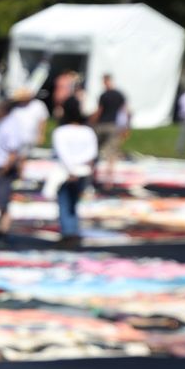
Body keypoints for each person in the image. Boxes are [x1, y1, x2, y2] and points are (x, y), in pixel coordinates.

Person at [0, 96, 34, 244]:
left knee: (3, 202)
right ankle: (0, 231)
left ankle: (3, 234)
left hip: (3, 169)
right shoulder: (4, 123)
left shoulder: (10, 125)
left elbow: (13, 152)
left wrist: (3, 170)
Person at [51, 103, 97, 243]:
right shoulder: (88, 131)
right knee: (74, 201)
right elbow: (92, 153)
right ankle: (73, 229)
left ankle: (68, 231)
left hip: (67, 171)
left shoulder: (61, 131)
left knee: (65, 200)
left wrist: (71, 169)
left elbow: (62, 153)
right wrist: (80, 165)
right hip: (82, 170)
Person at [93, 75, 127, 189]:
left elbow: (99, 111)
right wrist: (125, 126)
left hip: (103, 125)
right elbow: (125, 111)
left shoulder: (104, 95)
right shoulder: (119, 95)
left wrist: (92, 122)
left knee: (97, 151)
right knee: (111, 153)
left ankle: (94, 176)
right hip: (113, 125)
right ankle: (109, 180)